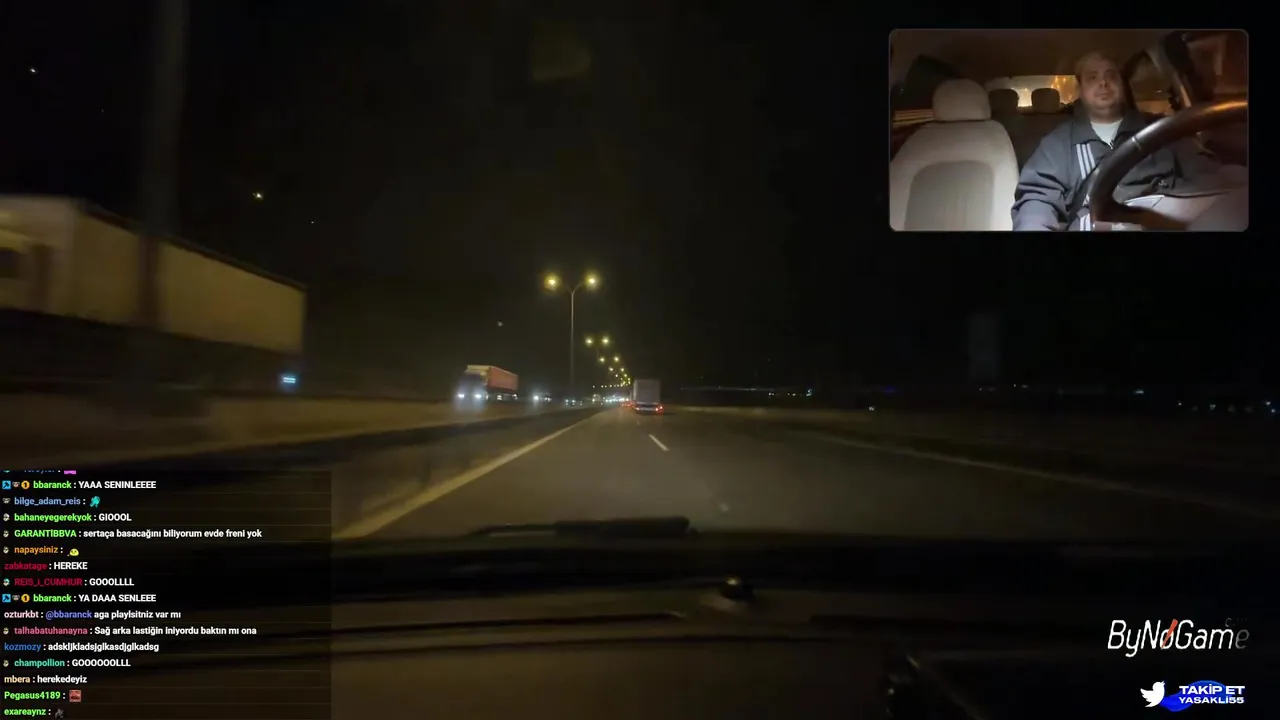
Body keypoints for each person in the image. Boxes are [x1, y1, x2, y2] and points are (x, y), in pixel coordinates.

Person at [1011, 51, 1217, 231]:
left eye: (1111, 75)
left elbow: (1206, 175)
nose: (1103, 82)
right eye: (1092, 77)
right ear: (1080, 90)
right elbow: (1037, 199)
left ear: (1122, 84)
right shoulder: (1057, 144)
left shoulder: (1164, 131)